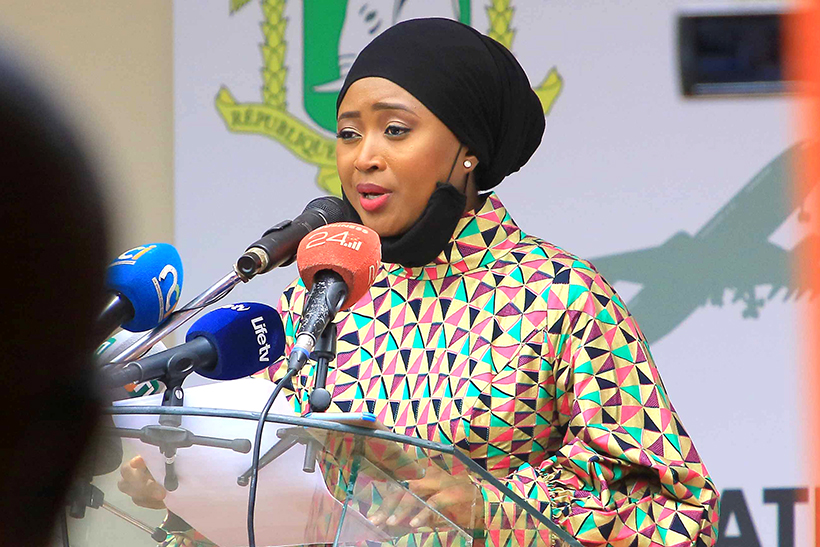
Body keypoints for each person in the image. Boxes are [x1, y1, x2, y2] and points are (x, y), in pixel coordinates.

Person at [123, 18, 719, 547]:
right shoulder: (321, 293)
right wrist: (183, 491)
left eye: (395, 130)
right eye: (349, 133)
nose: (363, 157)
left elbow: (679, 515)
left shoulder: (560, 295)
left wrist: (491, 510)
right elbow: (265, 493)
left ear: (467, 150)